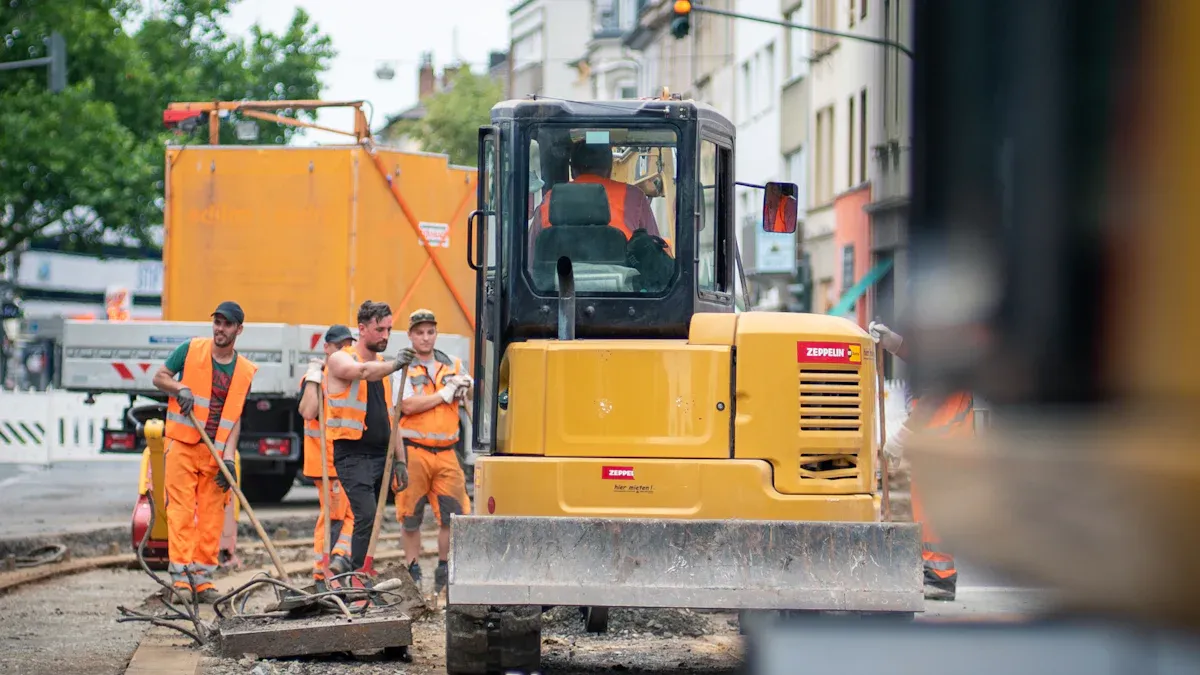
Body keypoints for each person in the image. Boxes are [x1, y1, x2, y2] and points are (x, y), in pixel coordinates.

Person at [151, 301, 258, 603]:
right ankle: (181, 579)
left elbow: (234, 417)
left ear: (238, 329)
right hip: (182, 445)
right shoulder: (190, 349)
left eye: (227, 324)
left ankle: (202, 580)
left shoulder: (244, 371)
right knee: (181, 512)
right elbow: (159, 377)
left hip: (215, 451)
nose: (220, 329)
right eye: (217, 322)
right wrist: (179, 388)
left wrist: (229, 458)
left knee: (212, 516)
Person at [869, 320, 969, 601]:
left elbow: (934, 398)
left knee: (933, 512)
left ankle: (940, 577)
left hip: (943, 443)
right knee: (926, 508)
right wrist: (894, 343)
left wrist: (902, 436)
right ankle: (933, 572)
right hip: (940, 442)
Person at [324, 300, 413, 573]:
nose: (385, 336)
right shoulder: (341, 358)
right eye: (379, 329)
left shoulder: (384, 367)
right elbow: (361, 372)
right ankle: (356, 573)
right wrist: (396, 365)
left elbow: (392, 417)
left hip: (380, 455)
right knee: (366, 514)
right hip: (352, 454)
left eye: (389, 330)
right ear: (362, 329)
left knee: (373, 519)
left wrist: (400, 460)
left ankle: (362, 571)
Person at [393, 308, 473, 594]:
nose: (425, 338)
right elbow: (406, 405)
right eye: (419, 333)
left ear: (436, 333)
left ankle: (444, 570)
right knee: (410, 517)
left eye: (430, 332)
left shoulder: (453, 364)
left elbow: (471, 392)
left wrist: (465, 386)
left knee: (454, 515)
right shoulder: (403, 367)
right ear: (410, 335)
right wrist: (443, 394)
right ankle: (413, 571)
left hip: (447, 452)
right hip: (414, 452)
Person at [297, 324, 357, 590]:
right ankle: (324, 573)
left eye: (348, 346)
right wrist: (313, 377)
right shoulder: (317, 379)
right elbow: (308, 411)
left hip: (346, 460)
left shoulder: (349, 376)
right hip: (328, 462)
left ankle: (338, 563)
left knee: (351, 514)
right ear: (326, 348)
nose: (344, 351)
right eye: (339, 346)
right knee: (334, 518)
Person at [530, 141, 663, 244]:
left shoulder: (550, 199)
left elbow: (529, 257)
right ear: (609, 169)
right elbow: (655, 249)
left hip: (558, 272)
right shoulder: (634, 197)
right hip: (622, 272)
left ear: (573, 170)